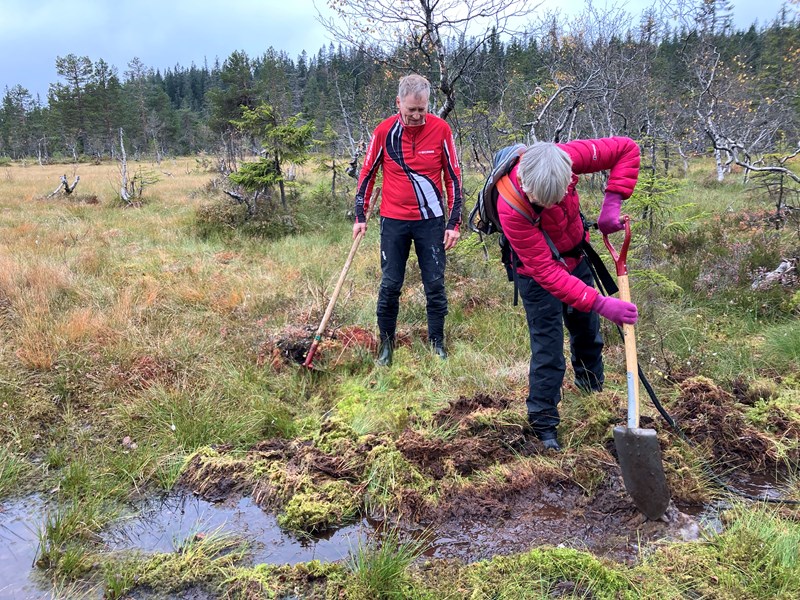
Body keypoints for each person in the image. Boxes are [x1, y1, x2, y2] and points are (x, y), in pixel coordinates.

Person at [497, 137, 641, 451]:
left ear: (569, 177)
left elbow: (627, 149)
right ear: (524, 182)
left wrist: (612, 204)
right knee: (548, 350)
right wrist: (602, 302)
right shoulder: (510, 205)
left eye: (557, 196)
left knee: (588, 333)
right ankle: (544, 426)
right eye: (541, 202)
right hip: (535, 275)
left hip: (577, 256)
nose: (549, 205)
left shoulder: (569, 156)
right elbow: (547, 272)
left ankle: (592, 398)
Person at [353, 74, 463, 366]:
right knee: (390, 285)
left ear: (428, 104)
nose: (416, 116)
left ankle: (437, 344)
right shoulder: (383, 132)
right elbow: (367, 174)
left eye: (422, 110)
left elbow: (453, 176)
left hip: (431, 221)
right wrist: (359, 215)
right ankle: (386, 347)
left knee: (435, 284)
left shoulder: (441, 130)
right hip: (393, 220)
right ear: (398, 103)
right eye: (410, 110)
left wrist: (454, 223)